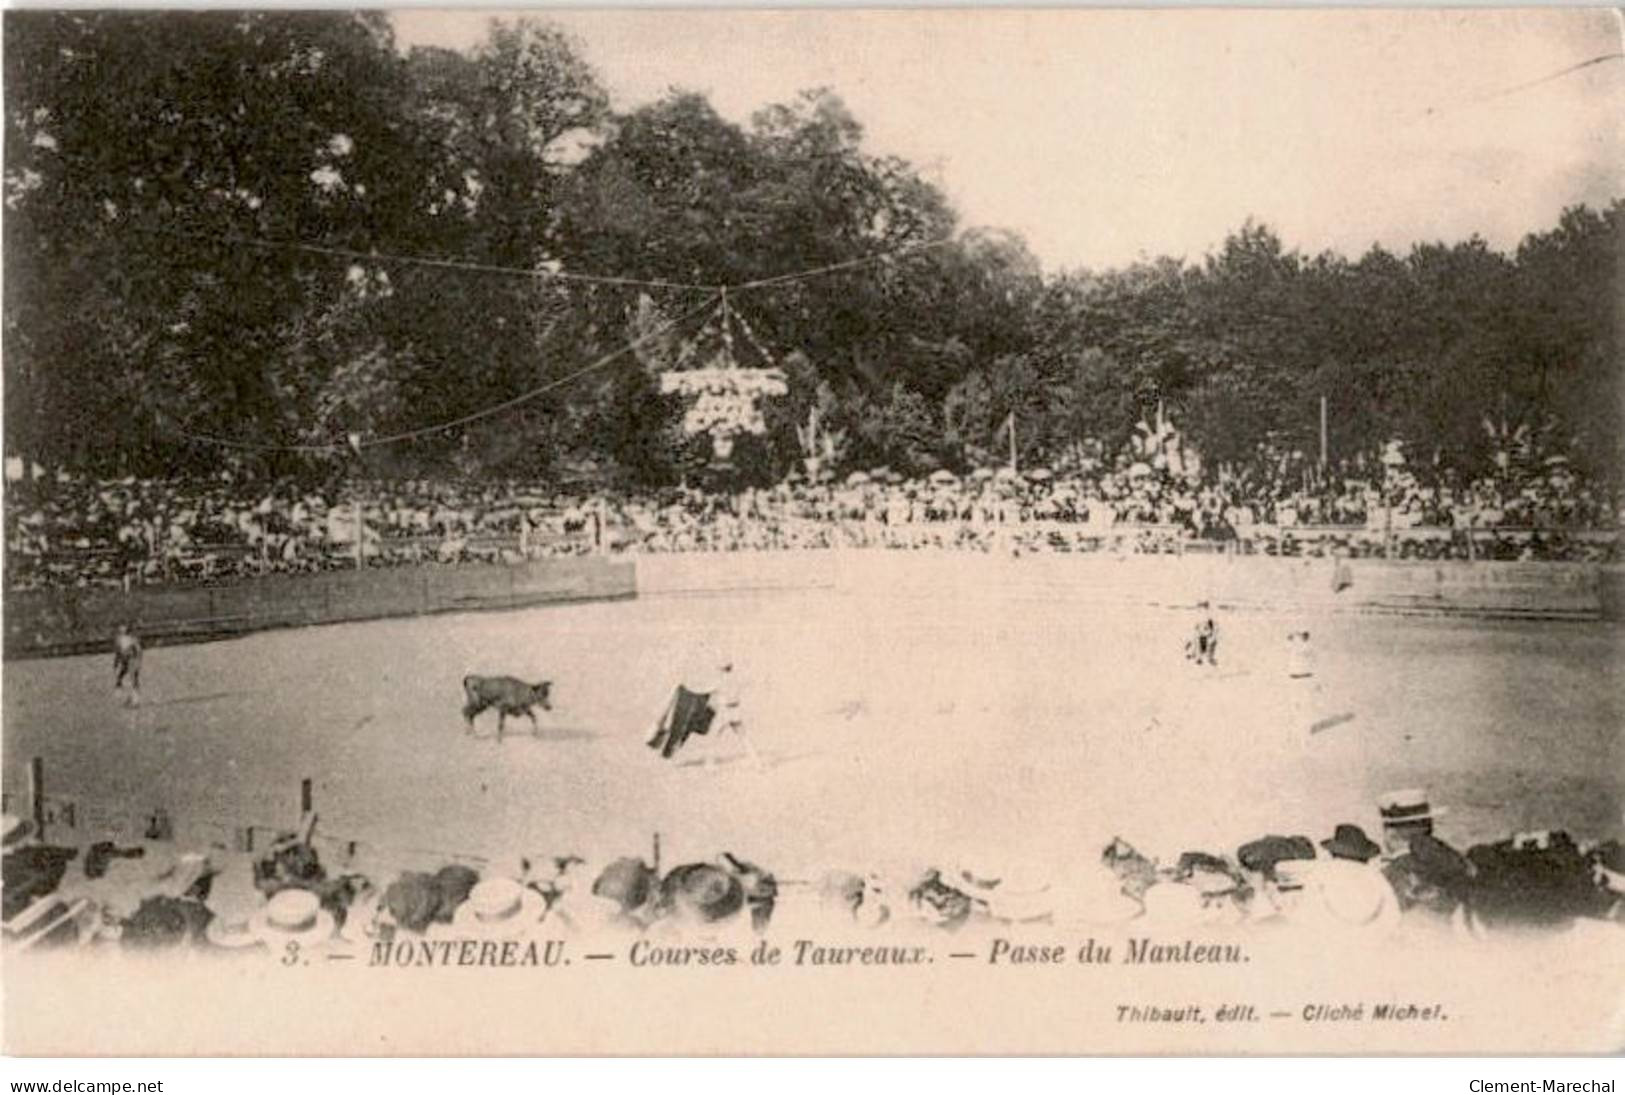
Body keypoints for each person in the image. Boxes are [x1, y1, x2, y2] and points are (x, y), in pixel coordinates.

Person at [113, 623, 143, 706]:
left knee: (133, 679)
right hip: (125, 660)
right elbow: (118, 652)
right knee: (120, 677)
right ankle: (128, 697)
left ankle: (135, 699)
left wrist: (138, 661)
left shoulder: (132, 639)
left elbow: (138, 650)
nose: (122, 630)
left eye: (124, 629)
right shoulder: (119, 640)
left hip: (132, 660)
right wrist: (116, 663)